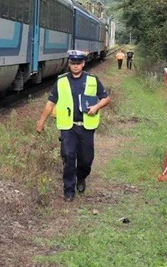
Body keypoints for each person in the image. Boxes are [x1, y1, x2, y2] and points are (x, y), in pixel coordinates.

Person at [36, 50, 111, 201]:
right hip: (68, 126)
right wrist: (41, 121)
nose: (75, 66)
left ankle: (81, 177)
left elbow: (106, 98)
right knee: (69, 156)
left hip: (86, 126)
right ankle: (68, 190)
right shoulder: (61, 80)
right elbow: (50, 103)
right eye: (72, 64)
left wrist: (96, 107)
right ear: (69, 64)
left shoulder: (92, 79)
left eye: (78, 64)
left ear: (83, 64)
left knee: (86, 159)